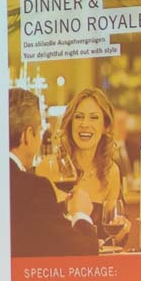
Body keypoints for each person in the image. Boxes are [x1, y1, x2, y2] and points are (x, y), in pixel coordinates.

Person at [10, 88, 98, 257]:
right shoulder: (35, 188)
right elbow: (82, 254)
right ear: (28, 135)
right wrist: (81, 214)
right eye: (39, 132)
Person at [39, 86, 127, 238]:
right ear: (70, 123)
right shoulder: (49, 167)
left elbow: (110, 237)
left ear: (106, 127)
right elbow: (37, 230)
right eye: (79, 117)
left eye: (94, 117)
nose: (85, 124)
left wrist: (121, 233)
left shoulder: (111, 172)